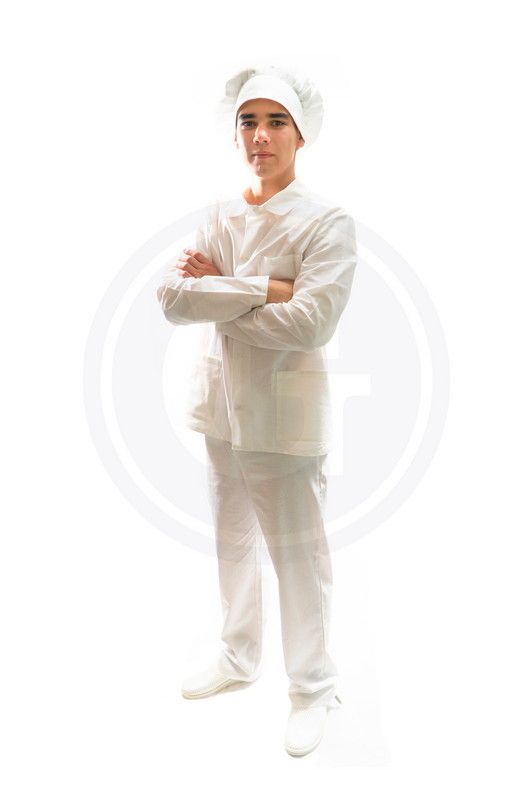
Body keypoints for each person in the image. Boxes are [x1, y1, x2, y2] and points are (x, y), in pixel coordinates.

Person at [156, 65, 358, 757]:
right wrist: (266, 288)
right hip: (221, 409)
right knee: (233, 542)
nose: (260, 135)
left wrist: (220, 291)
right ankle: (238, 655)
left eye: (276, 122)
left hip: (285, 415)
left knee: (298, 557)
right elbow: (172, 300)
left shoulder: (326, 221)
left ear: (301, 134)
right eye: (249, 121)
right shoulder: (218, 213)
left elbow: (311, 322)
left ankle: (313, 686)